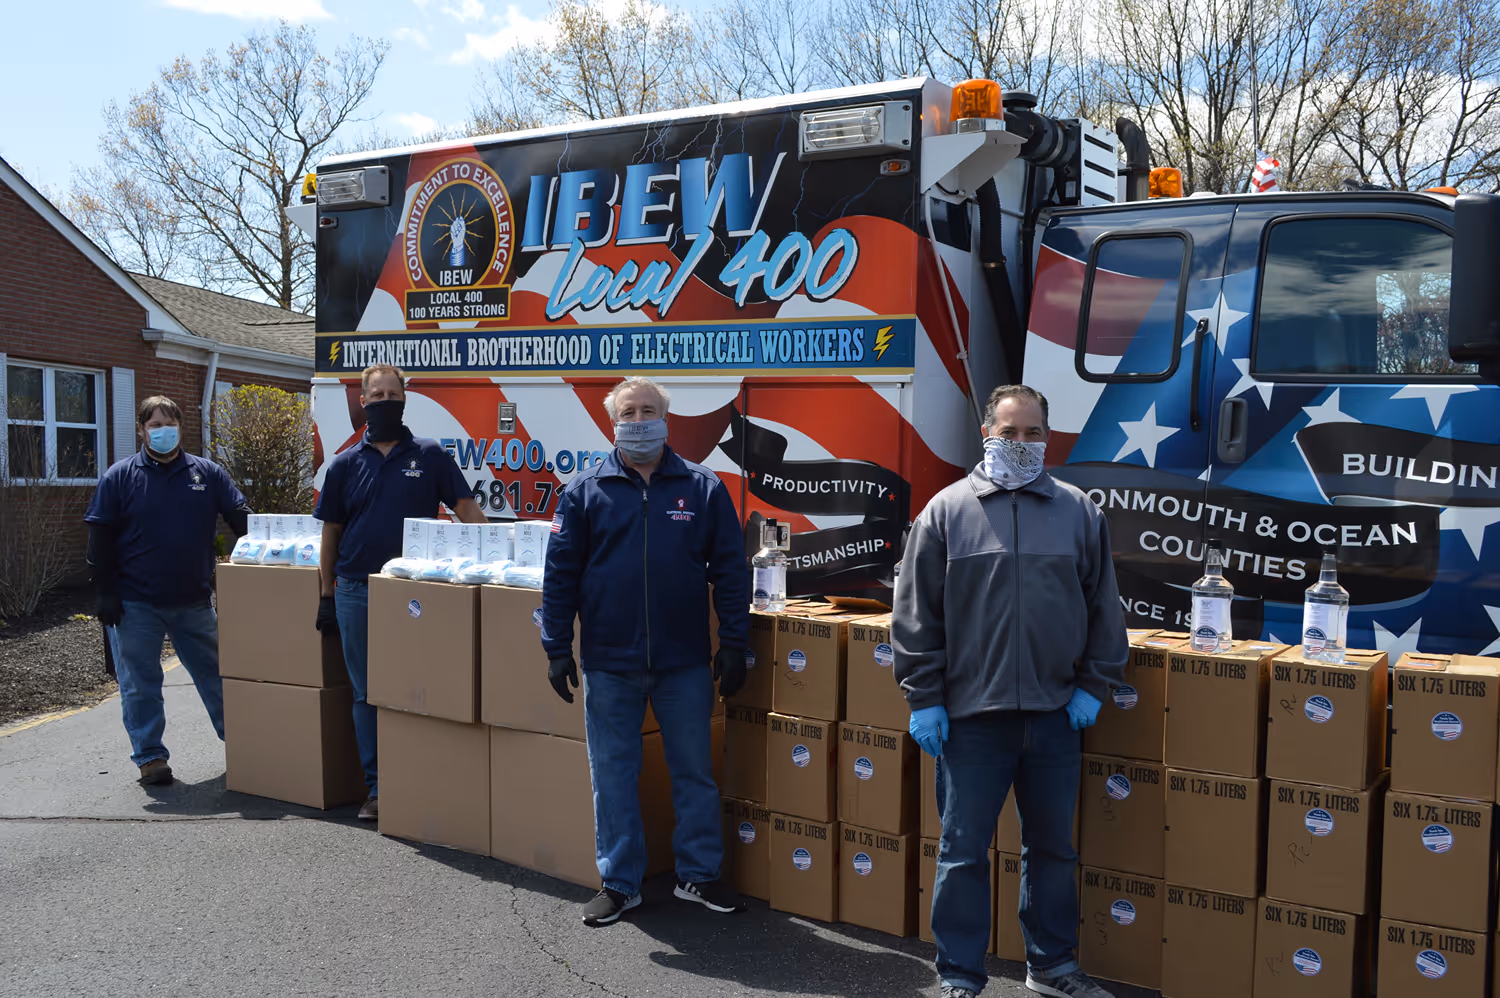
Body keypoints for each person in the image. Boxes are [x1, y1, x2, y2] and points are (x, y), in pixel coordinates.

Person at [893, 385, 1128, 998]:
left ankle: (1052, 966)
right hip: (971, 720)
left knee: (1053, 851)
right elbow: (915, 615)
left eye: (1032, 433)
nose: (1020, 443)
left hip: (1055, 717)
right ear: (986, 434)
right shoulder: (946, 512)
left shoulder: (1079, 512)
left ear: (1048, 436)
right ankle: (960, 975)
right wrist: (924, 697)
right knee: (962, 852)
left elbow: (1104, 608)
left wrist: (1093, 685)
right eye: (1008, 432)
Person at [542, 376, 750, 926]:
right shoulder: (584, 491)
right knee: (612, 775)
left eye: (648, 410)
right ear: (613, 423)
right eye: (628, 412)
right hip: (609, 662)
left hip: (685, 663)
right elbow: (560, 576)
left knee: (694, 772)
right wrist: (556, 647)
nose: (639, 420)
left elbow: (731, 571)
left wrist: (734, 642)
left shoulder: (703, 488)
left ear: (666, 418)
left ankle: (698, 874)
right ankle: (620, 883)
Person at [314, 364, 487, 821]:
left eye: (394, 394)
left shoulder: (430, 455)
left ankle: (423, 779)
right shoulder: (344, 464)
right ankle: (378, 789)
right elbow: (331, 534)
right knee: (366, 693)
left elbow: (467, 510)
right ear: (363, 402)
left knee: (420, 686)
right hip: (356, 591)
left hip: (416, 593)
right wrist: (327, 595)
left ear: (405, 400)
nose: (386, 401)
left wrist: (496, 562)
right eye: (378, 395)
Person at [85, 395, 252, 786]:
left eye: (170, 423)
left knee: (219, 677)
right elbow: (99, 538)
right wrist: (103, 591)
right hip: (135, 603)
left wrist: (273, 547)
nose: (164, 431)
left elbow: (243, 520)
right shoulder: (120, 477)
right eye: (155, 425)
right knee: (140, 684)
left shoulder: (206, 474)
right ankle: (150, 757)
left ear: (181, 426)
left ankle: (245, 745)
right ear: (141, 430)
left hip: (193, 601)